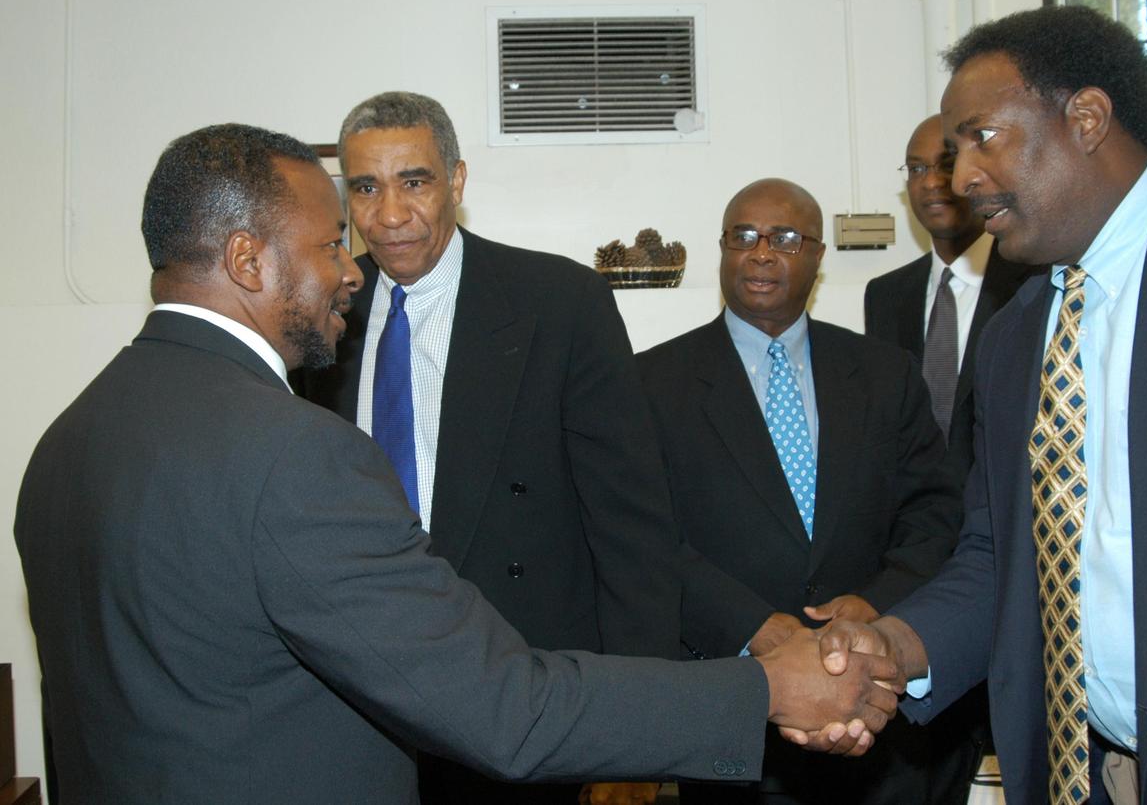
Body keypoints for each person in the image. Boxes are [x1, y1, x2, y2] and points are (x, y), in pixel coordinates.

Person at [14, 124, 900, 805]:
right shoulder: (295, 454)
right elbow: (504, 707)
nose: (351, 272)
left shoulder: (66, 442)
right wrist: (759, 691)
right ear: (248, 260)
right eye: (330, 243)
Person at [823, 5, 1147, 804]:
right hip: (1084, 776)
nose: (961, 179)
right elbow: (1001, 557)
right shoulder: (1013, 340)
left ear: (1088, 117)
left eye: (981, 137)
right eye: (952, 152)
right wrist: (897, 644)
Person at [293, 92, 686, 804]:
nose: (389, 214)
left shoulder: (559, 302)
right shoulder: (322, 314)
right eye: (365, 187)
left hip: (527, 698)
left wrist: (638, 731)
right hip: (360, 702)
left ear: (457, 182)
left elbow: (633, 530)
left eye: (414, 181)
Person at [635, 178, 964, 804]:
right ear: (723, 250)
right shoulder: (651, 381)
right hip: (734, 706)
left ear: (816, 256)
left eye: (786, 238)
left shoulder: (884, 374)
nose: (762, 253)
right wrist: (756, 626)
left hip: (876, 711)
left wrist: (874, 605)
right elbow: (645, 536)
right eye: (744, 237)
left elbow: (934, 513)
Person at [862, 114, 1038, 803]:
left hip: (1004, 561)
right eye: (914, 168)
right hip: (907, 570)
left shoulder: (1032, 284)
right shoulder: (887, 295)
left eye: (943, 162)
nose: (931, 182)